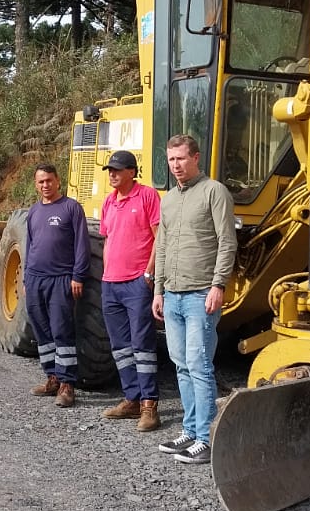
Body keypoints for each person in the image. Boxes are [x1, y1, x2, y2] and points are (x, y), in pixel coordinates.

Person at [152, 133, 237, 465]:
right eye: (171, 159)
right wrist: (158, 291)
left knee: (200, 366)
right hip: (172, 295)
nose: (176, 165)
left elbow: (226, 242)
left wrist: (219, 285)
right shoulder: (169, 199)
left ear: (196, 158)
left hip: (201, 293)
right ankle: (189, 430)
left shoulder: (214, 192)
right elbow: (162, 247)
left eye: (181, 159)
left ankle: (206, 437)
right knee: (182, 366)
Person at [97, 149, 161, 432]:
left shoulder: (147, 196)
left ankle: (149, 405)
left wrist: (149, 273)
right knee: (120, 346)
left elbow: (160, 237)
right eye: (110, 170)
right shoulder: (109, 202)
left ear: (132, 172)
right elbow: (108, 240)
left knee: (142, 344)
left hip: (137, 282)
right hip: (111, 284)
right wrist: (105, 275)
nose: (112, 174)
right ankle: (132, 397)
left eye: (118, 170)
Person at [24, 162, 90, 408]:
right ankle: (51, 377)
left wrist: (78, 276)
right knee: (42, 331)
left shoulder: (71, 208)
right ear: (36, 184)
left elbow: (82, 246)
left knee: (61, 330)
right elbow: (30, 245)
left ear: (58, 181)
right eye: (41, 181)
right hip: (35, 279)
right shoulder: (33, 211)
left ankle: (67, 384)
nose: (45, 185)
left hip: (61, 279)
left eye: (49, 180)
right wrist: (26, 280)